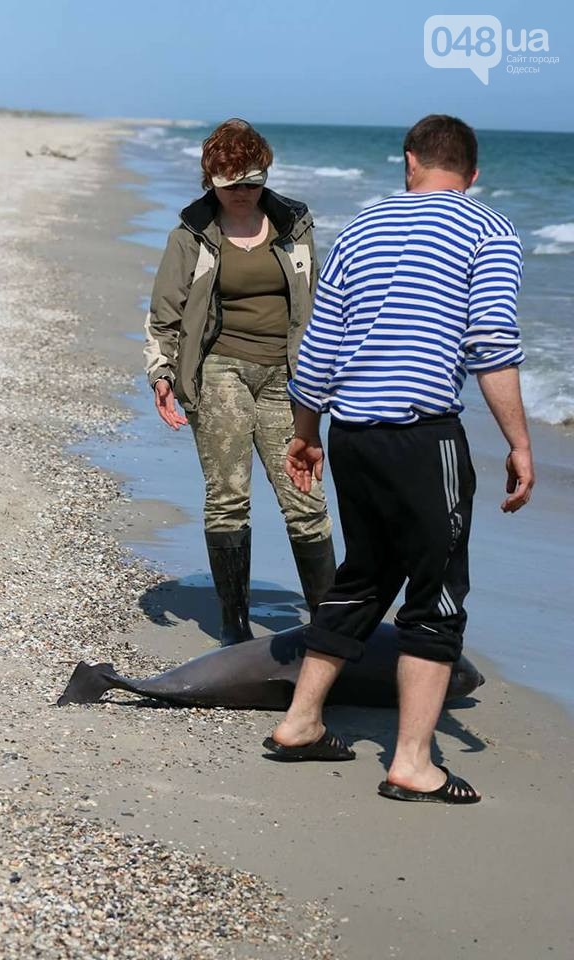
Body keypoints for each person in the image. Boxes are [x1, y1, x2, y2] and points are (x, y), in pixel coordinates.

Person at [262, 115, 535, 805]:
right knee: (437, 596)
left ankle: (299, 723)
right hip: (423, 437)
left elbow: (320, 340)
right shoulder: (489, 230)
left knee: (363, 578)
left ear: (409, 162)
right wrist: (519, 443)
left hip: (352, 434)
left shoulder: (362, 228)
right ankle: (412, 762)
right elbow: (491, 340)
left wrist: (305, 430)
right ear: (471, 176)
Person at [144, 119, 335, 645]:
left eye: (252, 183)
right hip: (220, 369)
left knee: (306, 499)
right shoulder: (191, 235)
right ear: (212, 181)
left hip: (287, 378)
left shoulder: (295, 226)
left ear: (265, 175)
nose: (243, 196)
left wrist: (330, 375)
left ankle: (330, 624)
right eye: (231, 187)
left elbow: (319, 302)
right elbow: (164, 313)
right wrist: (161, 375)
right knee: (229, 496)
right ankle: (234, 627)